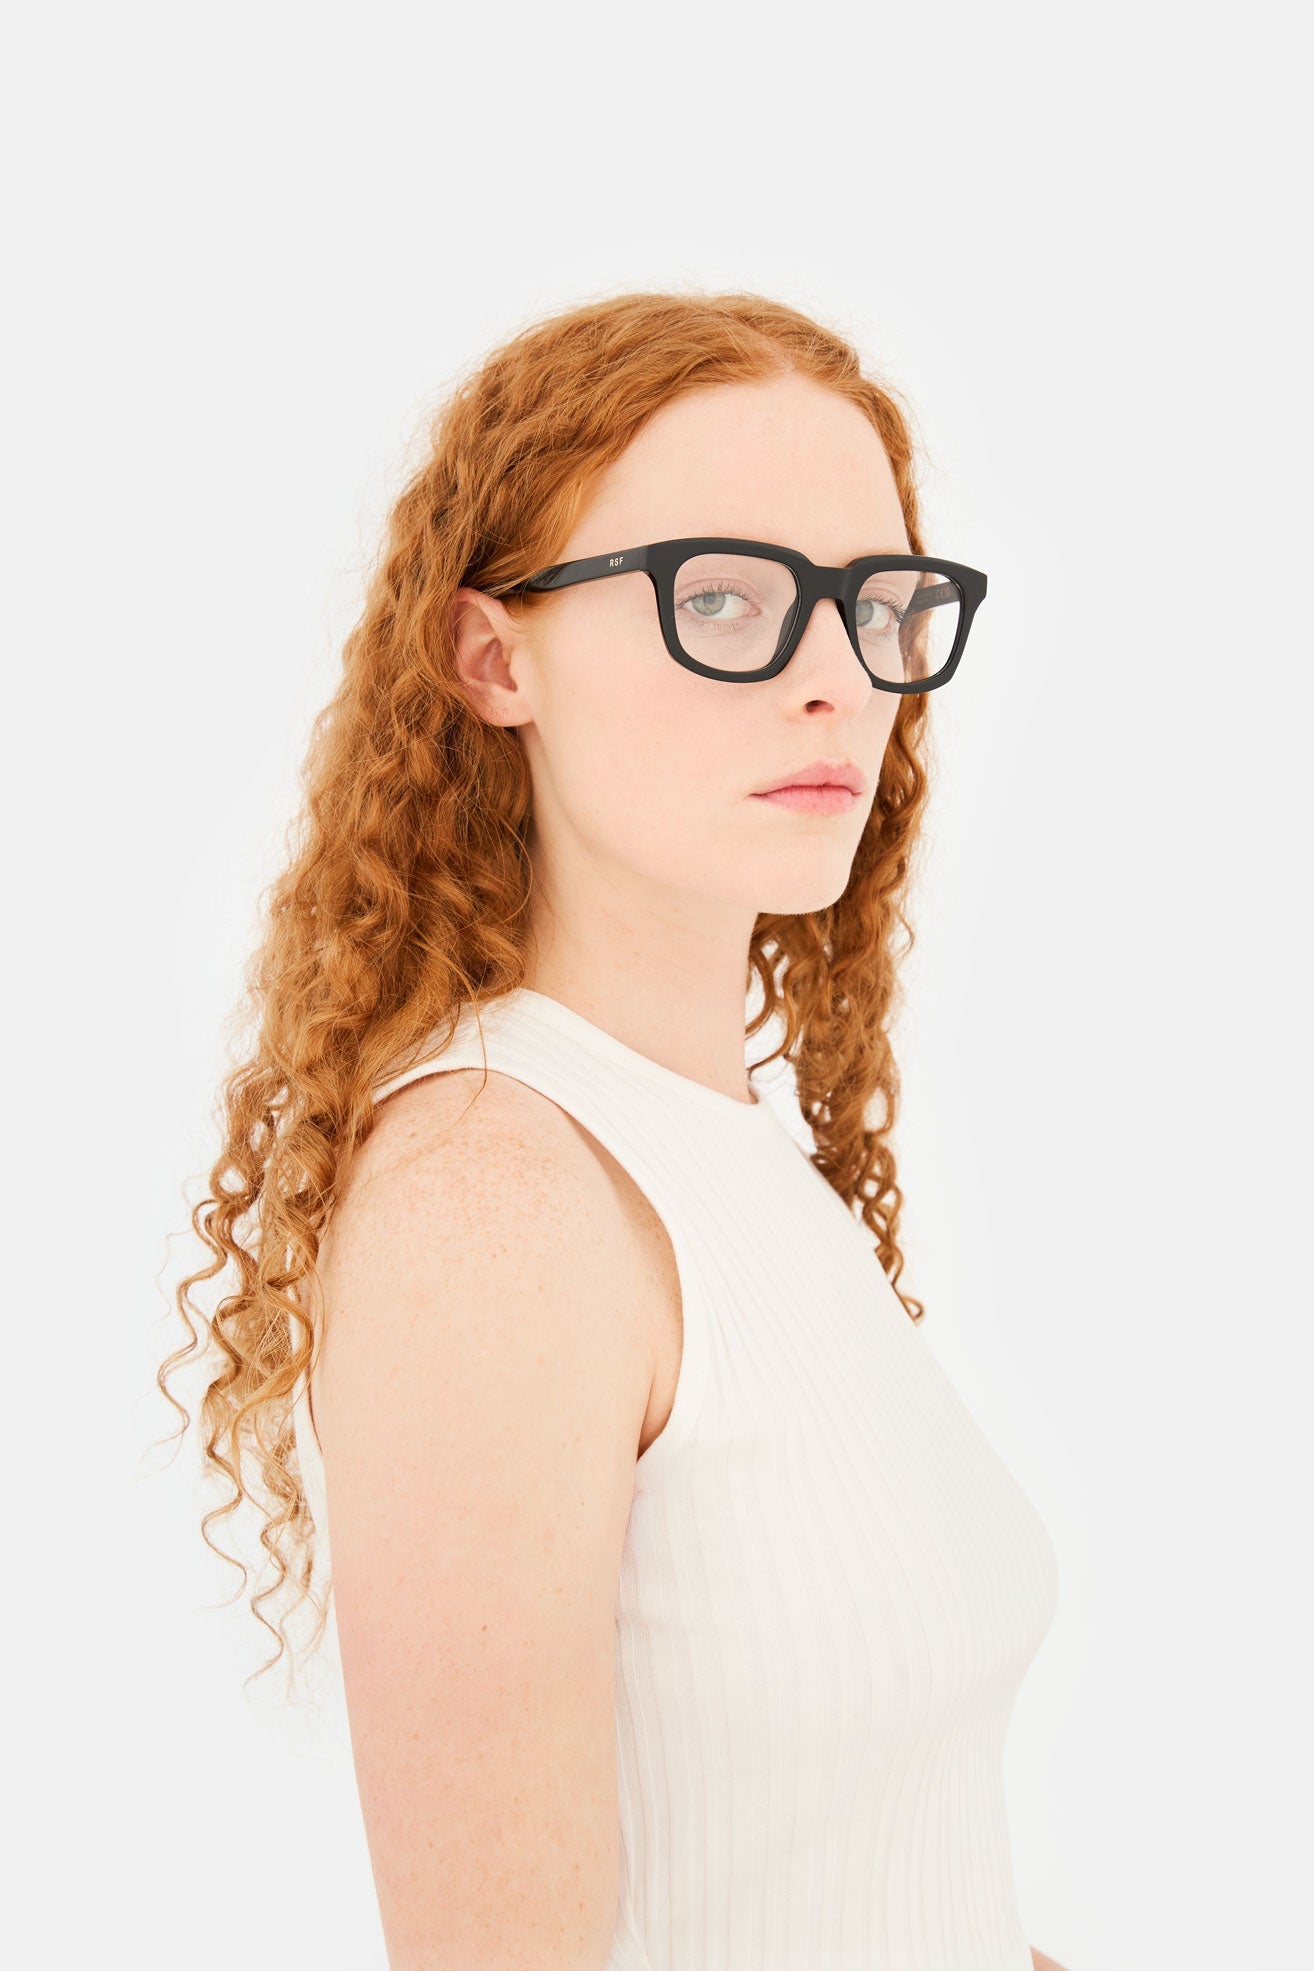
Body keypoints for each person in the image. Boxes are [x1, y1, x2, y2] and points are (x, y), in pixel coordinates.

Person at [164, 288, 1072, 1971]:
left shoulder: (726, 1156)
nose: (833, 681)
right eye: (722, 599)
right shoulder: (497, 1195)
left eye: (875, 603)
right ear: (492, 658)